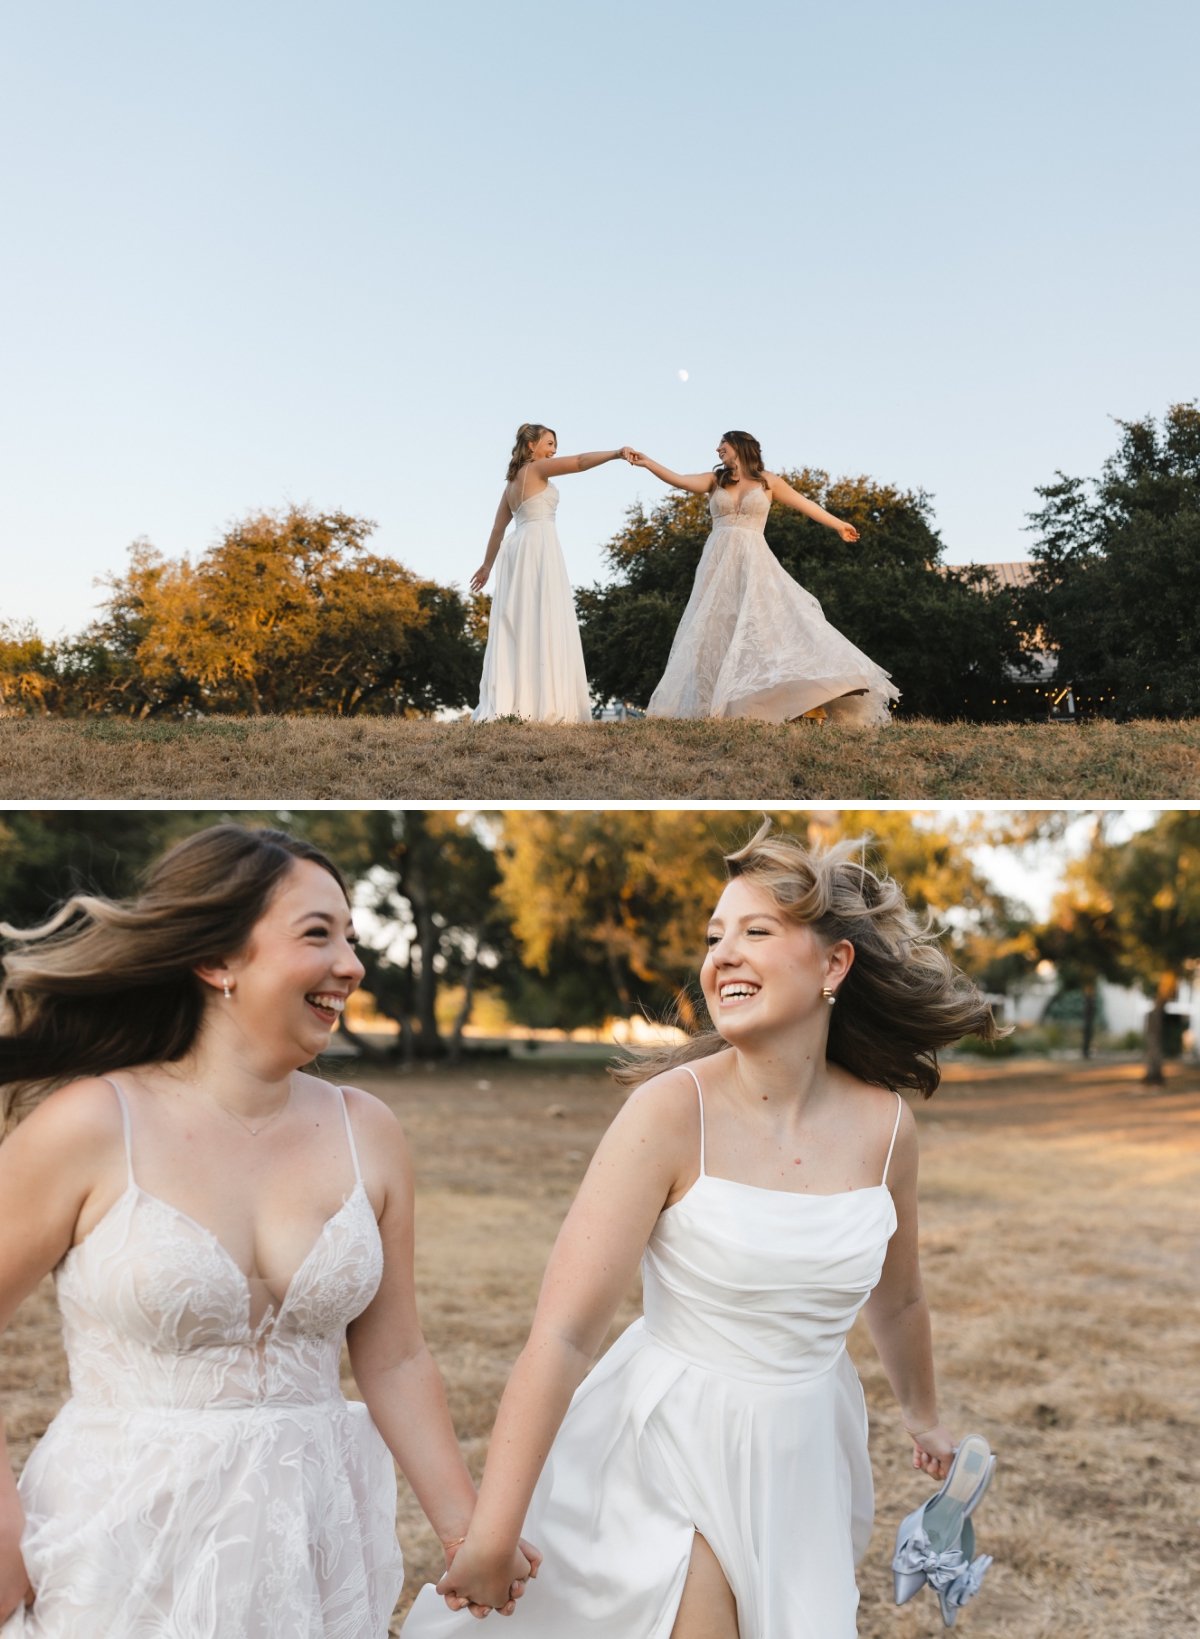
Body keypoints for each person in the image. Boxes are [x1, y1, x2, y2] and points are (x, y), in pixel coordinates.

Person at [405, 823, 995, 1636]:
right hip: (668, 1438)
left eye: (756, 931)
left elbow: (899, 1300)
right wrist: (493, 1532)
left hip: (803, 1450)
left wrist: (924, 1416)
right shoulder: (669, 1112)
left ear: (834, 964)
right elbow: (564, 1334)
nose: (722, 954)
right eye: (715, 936)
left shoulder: (887, 1128)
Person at [0, 825, 537, 1637]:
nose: (351, 964)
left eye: (352, 936)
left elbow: (393, 1355)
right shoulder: (88, 1125)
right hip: (119, 1549)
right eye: (317, 933)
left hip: (310, 1544)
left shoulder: (370, 1132)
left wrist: (468, 1529)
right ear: (218, 962)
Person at [627, 432, 900, 725]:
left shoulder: (768, 482)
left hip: (754, 561)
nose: (718, 448)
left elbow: (804, 503)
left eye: (724, 444)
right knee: (718, 629)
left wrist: (838, 524)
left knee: (773, 624)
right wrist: (648, 463)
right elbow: (679, 479)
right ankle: (723, 706)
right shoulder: (714, 480)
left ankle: (817, 692)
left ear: (740, 447)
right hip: (717, 565)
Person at [470, 425, 633, 723]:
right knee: (543, 618)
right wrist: (614, 454)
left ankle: (520, 700)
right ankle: (542, 702)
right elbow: (580, 462)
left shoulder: (510, 483)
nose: (554, 450)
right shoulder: (538, 469)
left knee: (521, 623)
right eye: (550, 443)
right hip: (539, 546)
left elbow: (497, 529)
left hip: (517, 549)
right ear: (532, 446)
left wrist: (486, 566)